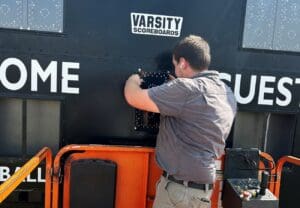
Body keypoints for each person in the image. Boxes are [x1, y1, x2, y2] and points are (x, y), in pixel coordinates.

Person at [124, 35, 237, 208]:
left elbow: (133, 97)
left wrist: (134, 80)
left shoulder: (185, 89)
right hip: (203, 191)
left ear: (183, 63)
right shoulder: (226, 92)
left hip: (179, 192)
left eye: (175, 64)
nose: (175, 69)